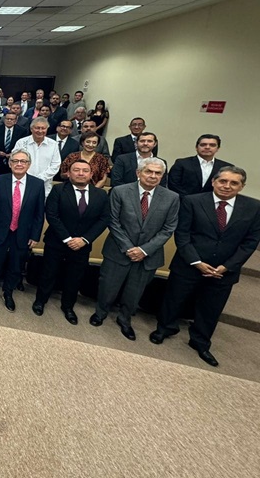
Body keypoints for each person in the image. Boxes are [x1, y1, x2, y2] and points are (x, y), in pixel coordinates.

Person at [150, 166, 260, 367]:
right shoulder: (192, 201)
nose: (227, 186)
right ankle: (164, 328)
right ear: (214, 182)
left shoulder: (254, 207)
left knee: (211, 308)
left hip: (224, 271)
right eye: (223, 181)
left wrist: (227, 266)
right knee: (174, 300)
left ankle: (200, 341)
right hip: (190, 263)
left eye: (234, 183)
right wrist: (197, 262)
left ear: (242, 186)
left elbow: (250, 242)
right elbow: (182, 234)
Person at [91, 158, 179, 340]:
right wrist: (129, 248)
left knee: (135, 292)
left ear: (162, 176)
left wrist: (144, 250)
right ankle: (100, 312)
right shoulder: (120, 191)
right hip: (118, 250)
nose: (153, 176)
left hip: (148, 256)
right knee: (108, 286)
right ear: (139, 173)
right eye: (149, 171)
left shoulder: (172, 198)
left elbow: (168, 229)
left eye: (158, 173)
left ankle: (125, 319)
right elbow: (113, 221)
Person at [32, 160, 110, 324]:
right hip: (57, 241)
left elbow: (104, 219)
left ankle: (68, 307)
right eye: (76, 170)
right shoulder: (58, 190)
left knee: (74, 277)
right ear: (68, 173)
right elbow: (52, 215)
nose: (81, 173)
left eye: (85, 170)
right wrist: (67, 238)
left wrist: (84, 239)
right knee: (48, 273)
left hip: (83, 245)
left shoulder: (101, 195)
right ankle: (40, 301)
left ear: (91, 174)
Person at [0, 151, 45, 312]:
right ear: (10, 164)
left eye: (23, 161)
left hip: (23, 233)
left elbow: (39, 214)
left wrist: (35, 235)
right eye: (15, 161)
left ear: (28, 165)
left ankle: (8, 292)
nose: (19, 164)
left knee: (16, 266)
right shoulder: (0, 180)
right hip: (0, 230)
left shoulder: (38, 184)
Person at [168, 134, 232, 198]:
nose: (207, 147)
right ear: (196, 147)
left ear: (217, 148)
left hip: (212, 202)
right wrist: (189, 200)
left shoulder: (226, 167)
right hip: (184, 201)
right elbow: (173, 184)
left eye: (212, 145)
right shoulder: (182, 163)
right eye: (203, 145)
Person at [12, 117, 61, 198]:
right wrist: (28, 178)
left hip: (44, 185)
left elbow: (55, 165)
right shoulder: (21, 143)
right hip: (23, 183)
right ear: (31, 129)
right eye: (37, 128)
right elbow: (15, 161)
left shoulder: (53, 144)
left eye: (43, 128)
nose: (40, 131)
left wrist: (40, 179)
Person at [0, 111, 28, 175]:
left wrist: (13, 153)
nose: (9, 121)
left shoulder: (22, 131)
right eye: (7, 119)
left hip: (14, 162)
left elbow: (24, 146)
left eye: (11, 119)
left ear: (15, 121)